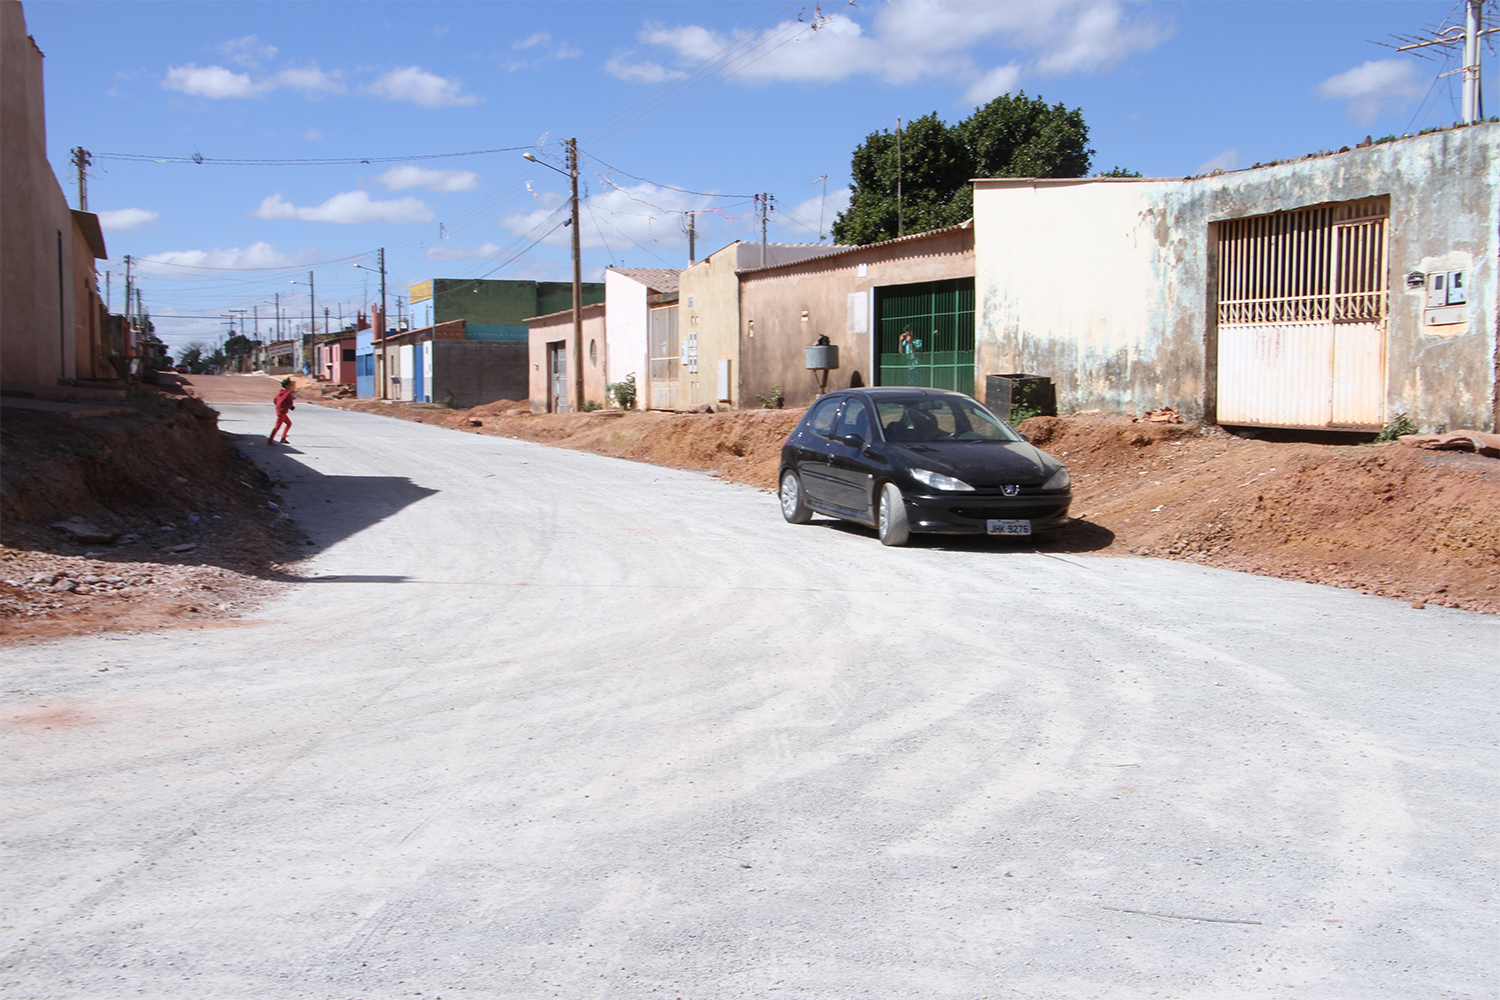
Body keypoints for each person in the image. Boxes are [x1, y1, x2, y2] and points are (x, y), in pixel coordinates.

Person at [269, 379, 295, 445]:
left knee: (289, 423)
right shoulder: (288, 393)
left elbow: (275, 400)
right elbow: (290, 403)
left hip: (279, 411)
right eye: (290, 385)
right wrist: (291, 407)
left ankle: (283, 438)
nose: (291, 386)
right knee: (277, 427)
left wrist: (279, 406)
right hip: (282, 412)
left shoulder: (280, 392)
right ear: (286, 386)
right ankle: (270, 441)